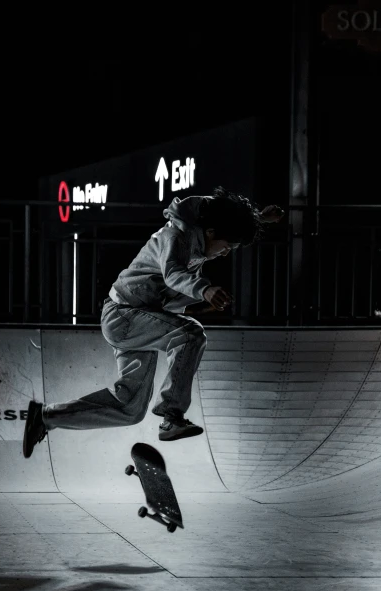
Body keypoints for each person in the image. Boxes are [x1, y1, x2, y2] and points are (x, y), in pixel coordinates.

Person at [23, 186, 284, 458]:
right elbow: (173, 274)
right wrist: (203, 289)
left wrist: (258, 218)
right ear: (210, 233)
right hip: (126, 314)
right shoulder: (177, 236)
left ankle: (46, 417)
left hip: (139, 319)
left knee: (129, 408)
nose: (225, 253)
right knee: (190, 334)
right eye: (227, 246)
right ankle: (172, 415)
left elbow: (220, 211)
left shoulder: (204, 228)